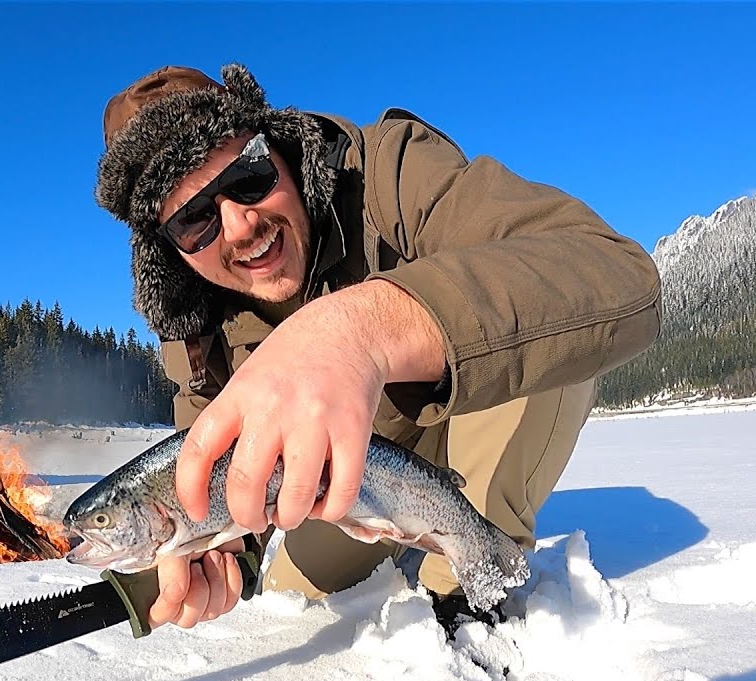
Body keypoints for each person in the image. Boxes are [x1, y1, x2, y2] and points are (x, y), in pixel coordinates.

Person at [93, 64, 661, 634]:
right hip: (357, 475)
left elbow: (617, 276)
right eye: (194, 220)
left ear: (282, 152)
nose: (240, 226)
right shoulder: (196, 328)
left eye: (249, 176)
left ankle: (471, 589)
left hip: (478, 407)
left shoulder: (387, 173)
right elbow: (224, 484)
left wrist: (366, 326)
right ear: (171, 251)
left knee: (542, 328)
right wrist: (214, 551)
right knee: (298, 596)